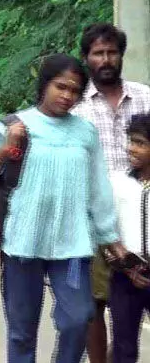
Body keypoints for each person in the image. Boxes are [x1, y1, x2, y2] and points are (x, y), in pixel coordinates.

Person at [0, 53, 128, 363]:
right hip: (22, 243)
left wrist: (110, 236)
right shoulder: (16, 125)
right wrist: (2, 151)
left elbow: (98, 188)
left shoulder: (85, 132)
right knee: (22, 331)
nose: (67, 96)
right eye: (60, 87)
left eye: (75, 90)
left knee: (79, 318)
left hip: (73, 246)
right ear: (44, 85)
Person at [70, 23, 150, 363]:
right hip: (96, 219)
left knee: (130, 301)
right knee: (96, 301)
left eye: (112, 52)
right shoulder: (76, 109)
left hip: (143, 214)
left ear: (121, 55)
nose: (106, 59)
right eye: (98, 53)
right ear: (87, 58)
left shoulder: (145, 95)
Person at [109, 114, 150, 363]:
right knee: (124, 346)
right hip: (126, 275)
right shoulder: (118, 182)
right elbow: (107, 228)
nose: (131, 148)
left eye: (140, 143)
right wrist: (124, 265)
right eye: (130, 141)